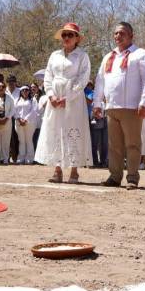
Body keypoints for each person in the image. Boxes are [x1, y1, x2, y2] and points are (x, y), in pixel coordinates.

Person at [93, 22, 145, 190]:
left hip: (132, 107)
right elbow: (100, 80)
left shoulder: (140, 54)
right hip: (112, 107)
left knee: (133, 144)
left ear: (131, 35)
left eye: (122, 33)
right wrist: (97, 103)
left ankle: (132, 177)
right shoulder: (108, 57)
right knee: (114, 145)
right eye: (115, 33)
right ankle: (115, 176)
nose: (118, 36)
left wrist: (144, 102)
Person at [35, 22, 93, 182]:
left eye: (70, 35)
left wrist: (68, 97)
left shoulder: (82, 56)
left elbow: (83, 78)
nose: (66, 37)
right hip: (55, 98)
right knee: (56, 129)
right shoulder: (55, 55)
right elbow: (48, 76)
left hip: (73, 100)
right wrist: (51, 95)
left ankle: (74, 170)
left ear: (77, 38)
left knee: (73, 130)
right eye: (64, 35)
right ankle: (57, 169)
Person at [14, 85, 38, 164]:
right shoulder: (17, 100)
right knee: (21, 141)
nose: (25, 91)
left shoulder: (32, 100)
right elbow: (14, 111)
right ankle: (21, 158)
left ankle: (29, 158)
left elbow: (34, 111)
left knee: (28, 140)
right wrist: (19, 119)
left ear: (29, 91)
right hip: (19, 123)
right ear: (21, 91)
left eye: (27, 90)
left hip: (29, 123)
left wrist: (25, 120)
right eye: (23, 90)